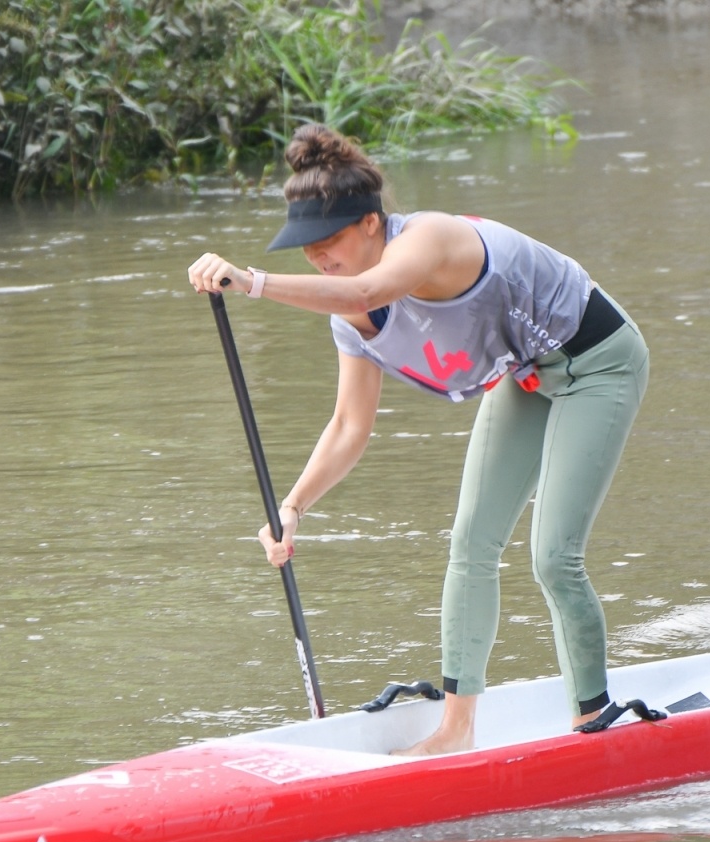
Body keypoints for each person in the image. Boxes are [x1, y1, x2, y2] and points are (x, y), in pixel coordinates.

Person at [187, 123, 663, 756]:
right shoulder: (349, 322)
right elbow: (349, 426)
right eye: (305, 249)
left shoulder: (432, 238)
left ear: (371, 225)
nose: (318, 257)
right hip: (525, 374)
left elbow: (368, 288)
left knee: (553, 555)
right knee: (470, 542)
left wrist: (251, 283)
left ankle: (593, 717)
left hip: (598, 359)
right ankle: (455, 729)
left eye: (328, 241)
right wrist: (292, 507)